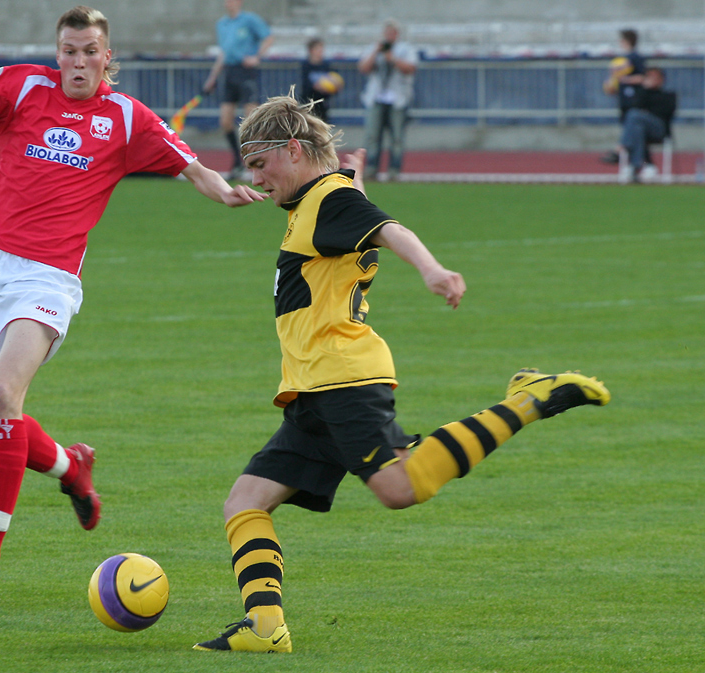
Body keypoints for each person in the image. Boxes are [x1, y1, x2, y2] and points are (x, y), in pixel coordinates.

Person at [192, 94, 611, 653]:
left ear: (292, 150)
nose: (255, 176)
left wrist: (433, 270)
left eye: (260, 162)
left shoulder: (326, 199)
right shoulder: (323, 199)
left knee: (399, 487)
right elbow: (359, 214)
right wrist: (352, 177)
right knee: (245, 501)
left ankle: (530, 400)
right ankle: (266, 629)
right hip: (313, 389)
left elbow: (391, 229)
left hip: (343, 379)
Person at [0, 5, 266, 595]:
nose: (78, 61)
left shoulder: (125, 117)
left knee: (6, 393)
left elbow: (190, 166)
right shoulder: (23, 86)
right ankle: (70, 466)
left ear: (107, 56)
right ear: (56, 51)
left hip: (48, 277)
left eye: (90, 51)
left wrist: (226, 191)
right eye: (69, 50)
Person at [202, 0, 274, 179]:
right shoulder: (222, 24)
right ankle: (237, 160)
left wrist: (257, 57)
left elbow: (269, 37)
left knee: (250, 119)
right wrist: (212, 78)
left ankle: (260, 161)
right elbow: (223, 53)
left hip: (246, 72)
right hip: (229, 72)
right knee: (226, 120)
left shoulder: (249, 20)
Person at [358, 19, 418, 181]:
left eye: (392, 33)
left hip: (398, 99)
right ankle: (371, 169)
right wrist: (376, 52)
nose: (389, 36)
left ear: (397, 34)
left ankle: (394, 170)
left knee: (397, 137)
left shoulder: (405, 49)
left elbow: (411, 69)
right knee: (372, 136)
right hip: (376, 98)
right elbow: (363, 68)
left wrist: (393, 58)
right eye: (387, 33)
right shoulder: (374, 48)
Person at [619, 67, 677, 183]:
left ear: (662, 80)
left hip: (659, 129)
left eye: (655, 77)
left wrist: (645, 113)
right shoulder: (643, 93)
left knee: (634, 117)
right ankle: (644, 165)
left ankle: (621, 149)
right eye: (649, 77)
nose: (652, 80)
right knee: (637, 128)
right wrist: (644, 89)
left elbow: (665, 112)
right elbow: (630, 108)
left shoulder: (669, 95)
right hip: (642, 129)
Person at [601, 29, 648, 165]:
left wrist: (623, 79)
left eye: (622, 40)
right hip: (624, 102)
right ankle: (633, 163)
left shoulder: (635, 58)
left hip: (635, 102)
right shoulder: (621, 60)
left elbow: (642, 78)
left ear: (627, 41)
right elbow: (614, 84)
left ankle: (626, 156)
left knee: (635, 132)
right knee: (631, 133)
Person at [299, 38, 340, 122]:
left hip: (322, 104)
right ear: (311, 50)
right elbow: (306, 84)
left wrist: (334, 86)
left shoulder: (326, 66)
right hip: (308, 103)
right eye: (318, 49)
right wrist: (318, 86)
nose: (320, 52)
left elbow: (335, 83)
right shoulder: (306, 65)